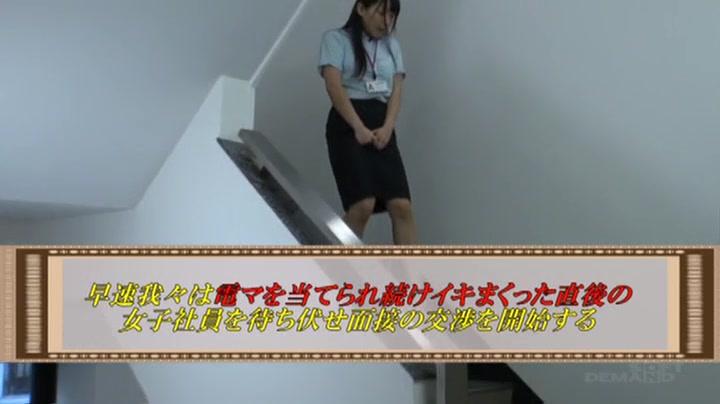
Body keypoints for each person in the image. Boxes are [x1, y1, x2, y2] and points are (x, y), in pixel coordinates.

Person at [318, 0, 417, 245]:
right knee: (363, 204)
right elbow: (333, 85)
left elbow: (397, 89)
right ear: (361, 8)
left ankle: (411, 271)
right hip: (347, 122)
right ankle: (335, 261)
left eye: (391, 15)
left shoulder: (392, 45)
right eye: (381, 12)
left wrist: (389, 126)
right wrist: (358, 127)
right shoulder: (335, 39)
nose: (386, 21)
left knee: (401, 205)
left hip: (382, 123)